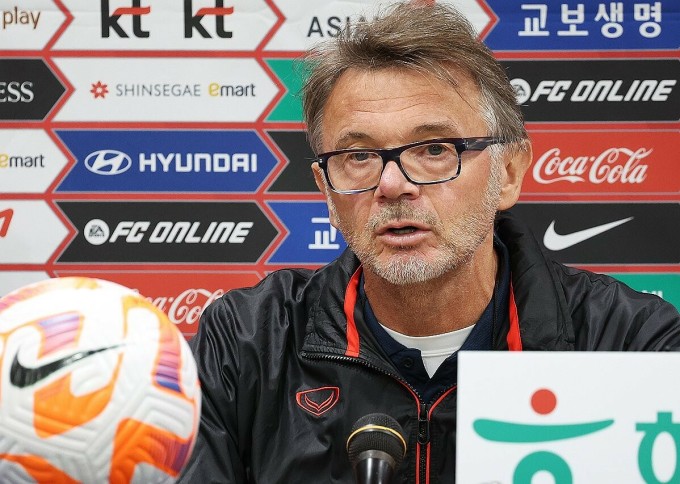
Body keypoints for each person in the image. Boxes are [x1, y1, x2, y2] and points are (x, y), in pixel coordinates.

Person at [178, 2, 680, 482]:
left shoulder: (632, 345)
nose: (393, 185)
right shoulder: (248, 344)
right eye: (358, 156)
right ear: (326, 190)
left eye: (435, 149)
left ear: (508, 172)